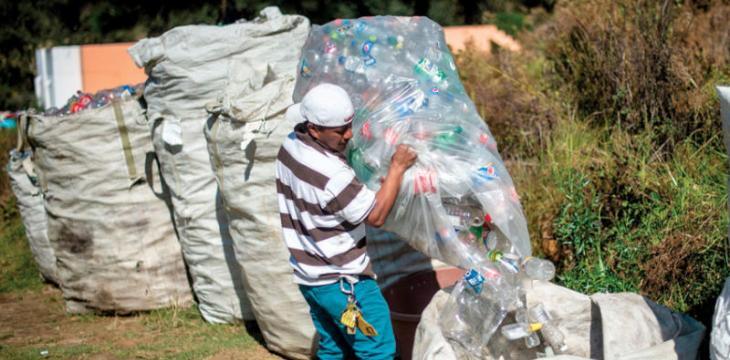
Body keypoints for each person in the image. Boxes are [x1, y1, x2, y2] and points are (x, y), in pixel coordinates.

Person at [275, 83, 417, 359]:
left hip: (310, 279)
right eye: (340, 131)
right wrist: (398, 167)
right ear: (315, 129)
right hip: (345, 283)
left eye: (350, 126)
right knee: (377, 349)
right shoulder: (332, 175)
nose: (349, 135)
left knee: (333, 348)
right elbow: (375, 215)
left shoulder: (290, 145)